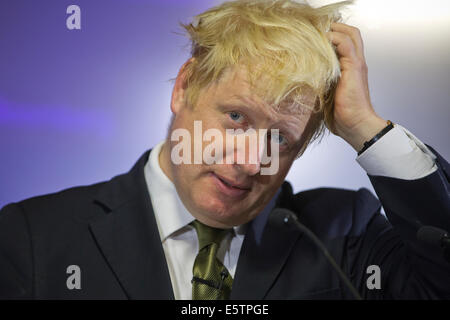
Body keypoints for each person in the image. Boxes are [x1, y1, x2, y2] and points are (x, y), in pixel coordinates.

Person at [0, 0, 449, 300]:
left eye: (280, 139)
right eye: (236, 118)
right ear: (184, 86)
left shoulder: (344, 233)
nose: (251, 162)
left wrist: (366, 128)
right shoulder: (32, 237)